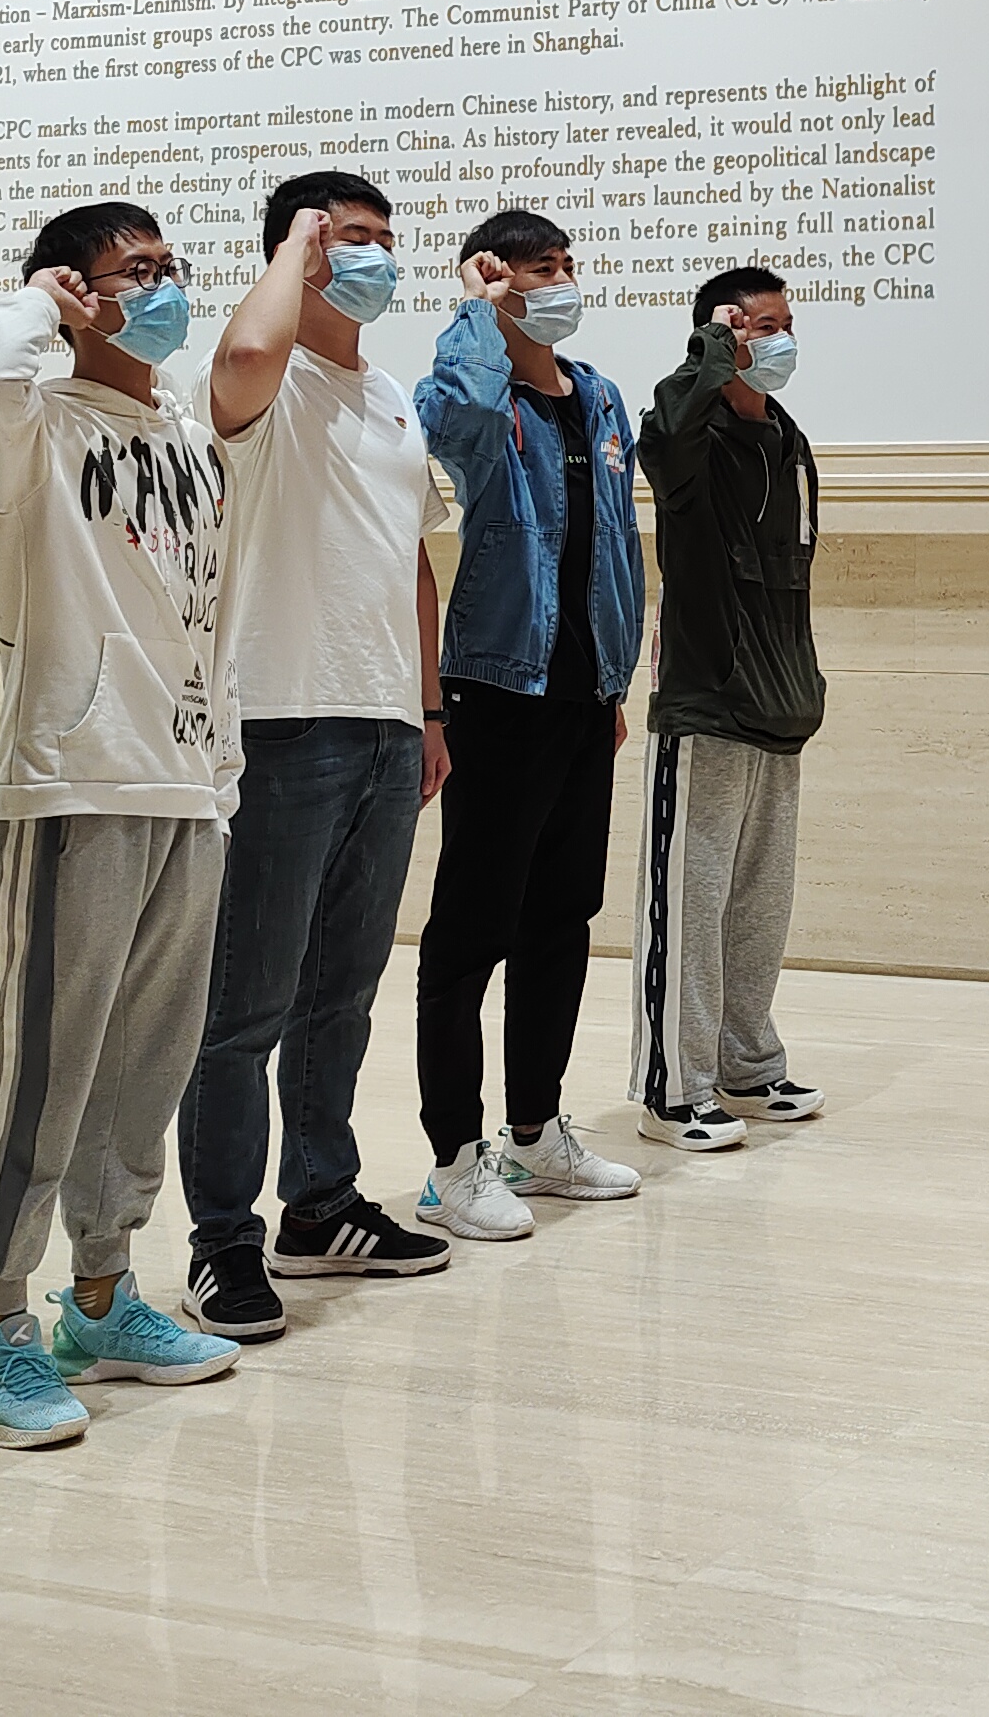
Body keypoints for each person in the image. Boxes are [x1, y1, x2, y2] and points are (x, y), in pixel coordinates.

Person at [0, 203, 247, 1449]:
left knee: (145, 1063)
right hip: (73, 781)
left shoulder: (189, 435)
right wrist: (43, 306)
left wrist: (222, 762)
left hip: (187, 782)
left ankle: (106, 1297)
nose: (164, 288)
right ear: (75, 291)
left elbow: (209, 605)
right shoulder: (36, 424)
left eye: (172, 266)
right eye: (135, 272)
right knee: (41, 1067)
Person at [174, 170, 454, 1338]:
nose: (375, 254)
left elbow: (414, 559)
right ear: (298, 252)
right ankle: (221, 1243)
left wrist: (428, 712)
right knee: (246, 1006)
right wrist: (298, 240)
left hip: (384, 726)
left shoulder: (388, 394)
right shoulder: (265, 377)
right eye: (350, 238)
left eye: (385, 237)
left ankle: (322, 1205)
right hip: (281, 725)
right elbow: (244, 354)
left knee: (342, 993)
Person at [408, 210, 647, 1237]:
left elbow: (613, 547)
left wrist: (613, 682)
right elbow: (452, 415)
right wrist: (475, 309)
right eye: (538, 269)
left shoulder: (597, 395)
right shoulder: (477, 395)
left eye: (565, 265)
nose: (560, 282)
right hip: (499, 689)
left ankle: (537, 1132)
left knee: (562, 919)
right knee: (472, 932)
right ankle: (454, 1161)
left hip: (584, 697)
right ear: (497, 278)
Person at [629, 265, 828, 1150]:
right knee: (690, 904)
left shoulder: (785, 439)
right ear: (724, 334)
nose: (780, 342)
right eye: (761, 327)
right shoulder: (691, 435)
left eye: (787, 325)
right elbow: (665, 435)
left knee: (757, 904)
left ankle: (747, 1064)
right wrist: (708, 353)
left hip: (779, 707)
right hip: (706, 706)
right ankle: (675, 1088)